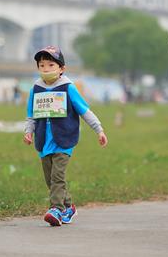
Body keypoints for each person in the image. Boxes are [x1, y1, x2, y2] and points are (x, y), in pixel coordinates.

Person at [23, 46, 108, 226]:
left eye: (51, 65)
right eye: (42, 65)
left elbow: (84, 111)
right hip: (43, 139)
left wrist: (99, 129)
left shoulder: (68, 88)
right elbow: (31, 114)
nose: (46, 69)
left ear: (62, 68)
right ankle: (69, 207)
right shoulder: (36, 89)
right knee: (50, 179)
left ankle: (56, 209)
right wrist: (28, 131)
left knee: (57, 176)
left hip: (63, 139)